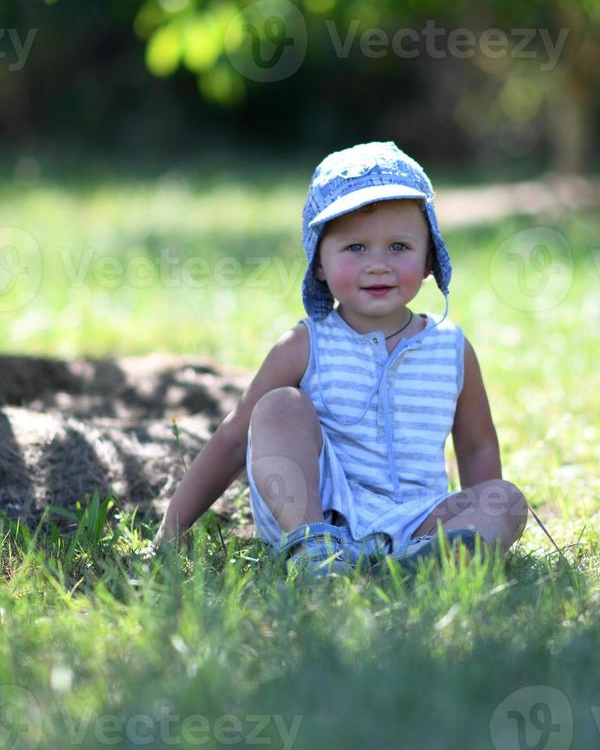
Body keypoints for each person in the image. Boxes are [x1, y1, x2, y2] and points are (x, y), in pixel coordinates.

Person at [154, 141, 528, 576]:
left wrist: (481, 520)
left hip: (417, 520)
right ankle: (314, 551)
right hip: (319, 511)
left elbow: (478, 445)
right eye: (354, 248)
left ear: (429, 257)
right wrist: (171, 532)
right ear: (319, 264)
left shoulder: (451, 349)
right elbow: (235, 439)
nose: (377, 265)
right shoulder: (305, 343)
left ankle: (422, 560)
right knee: (278, 406)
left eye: (398, 246)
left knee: (507, 499)